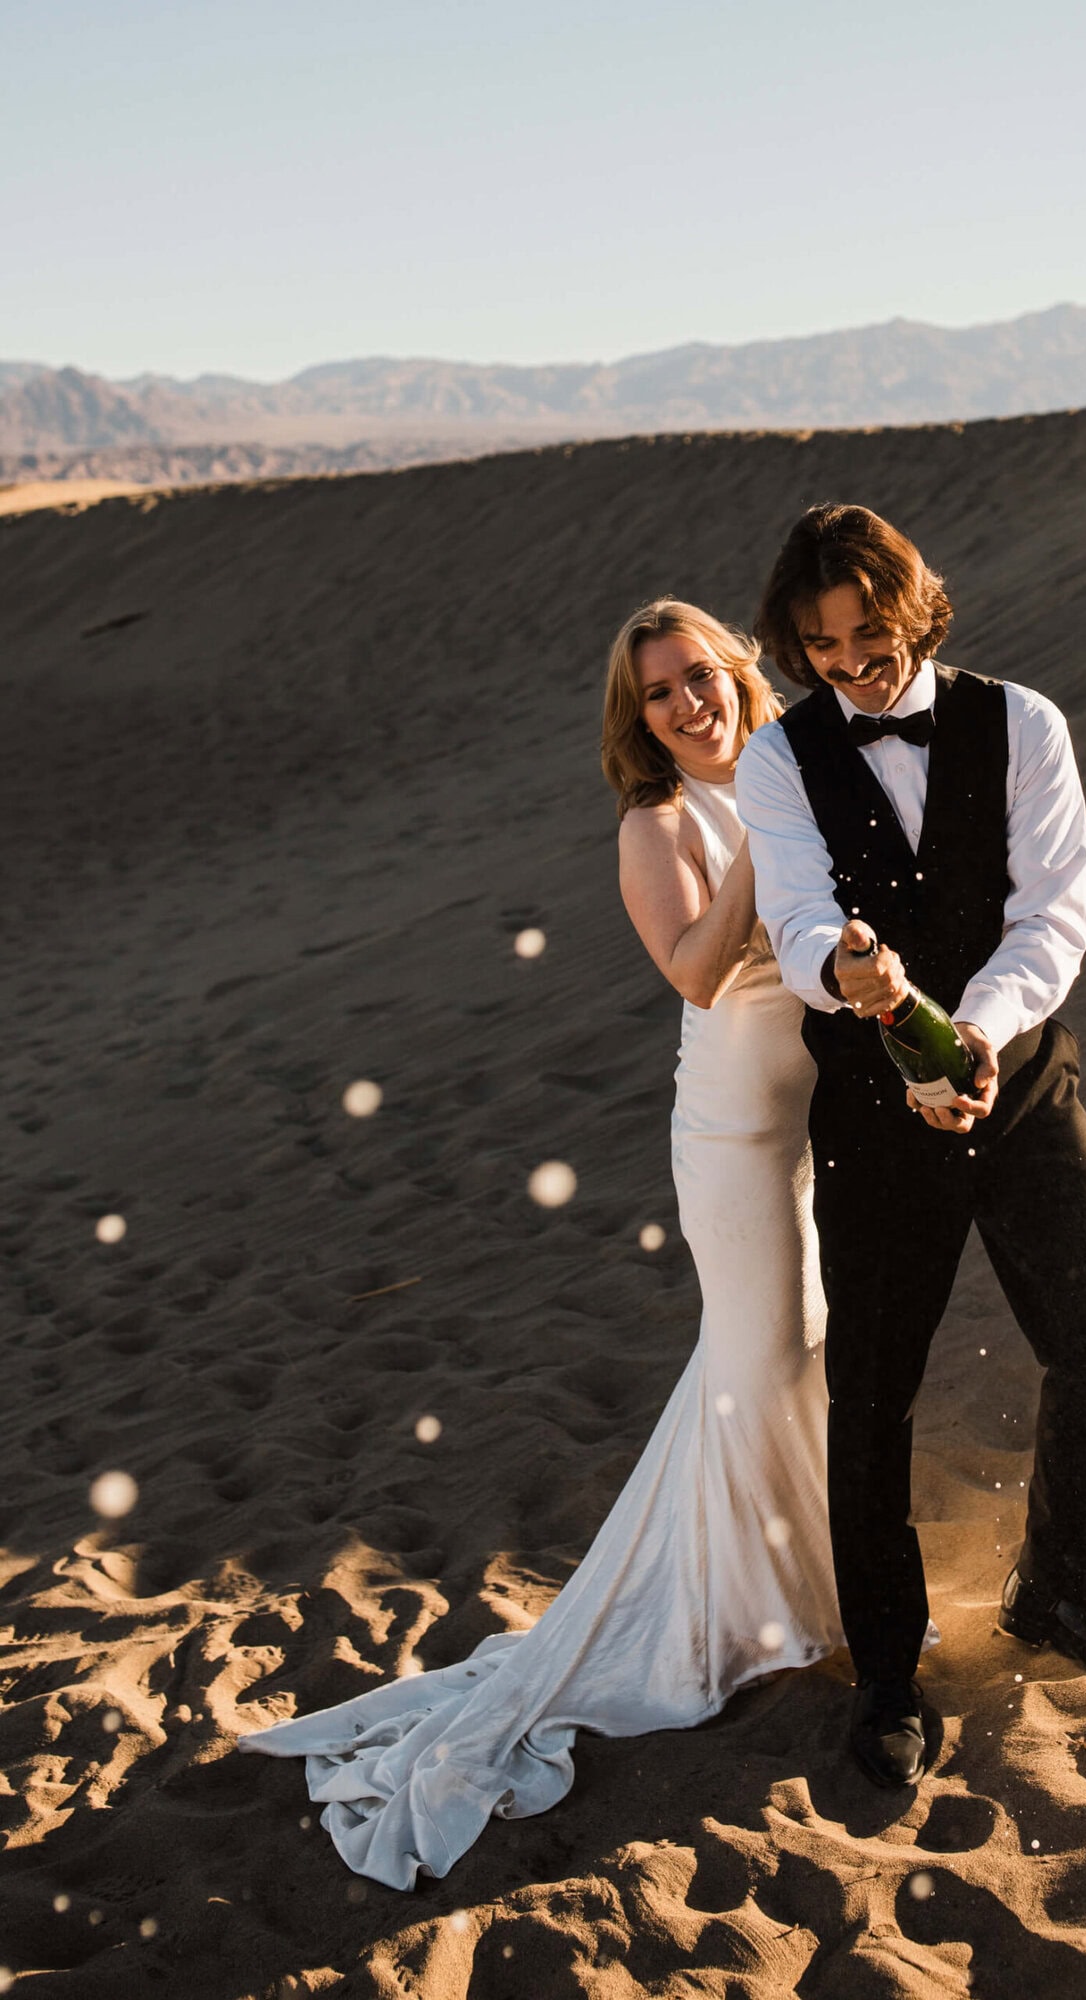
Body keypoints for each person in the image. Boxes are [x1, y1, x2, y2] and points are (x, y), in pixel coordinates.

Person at [241, 600, 841, 1888]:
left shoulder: (803, 767)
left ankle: (795, 1591)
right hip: (735, 1135)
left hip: (821, 1119)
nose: (688, 703)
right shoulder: (658, 824)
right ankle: (743, 1619)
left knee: (799, 1354)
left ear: (739, 671)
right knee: (763, 1359)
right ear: (641, 719)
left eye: (700, 675)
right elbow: (695, 969)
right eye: (660, 694)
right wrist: (764, 829)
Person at [737, 504, 1086, 1791]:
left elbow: (1052, 916)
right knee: (874, 1392)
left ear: (915, 609)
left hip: (1025, 1082)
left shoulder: (1024, 723)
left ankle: (1061, 1590)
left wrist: (975, 1032)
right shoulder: (780, 758)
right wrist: (847, 969)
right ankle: (887, 1670)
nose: (849, 665)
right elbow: (797, 915)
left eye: (867, 634)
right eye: (821, 646)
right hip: (873, 1119)